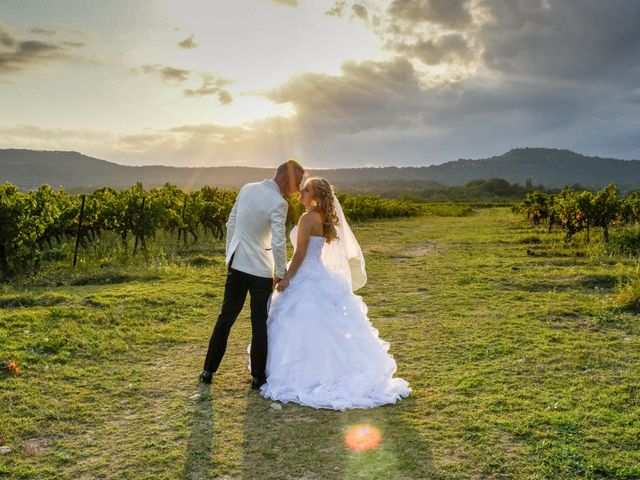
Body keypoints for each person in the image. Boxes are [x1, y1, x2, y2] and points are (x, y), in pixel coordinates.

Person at [260, 177, 411, 410]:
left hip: (304, 274)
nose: (301, 192)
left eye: (306, 190)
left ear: (316, 198)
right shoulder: (323, 218)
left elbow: (300, 254)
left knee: (300, 321)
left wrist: (286, 277)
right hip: (319, 272)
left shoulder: (306, 218)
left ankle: (306, 372)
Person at [199, 160, 306, 389]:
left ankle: (208, 371)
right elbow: (278, 241)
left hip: (236, 266)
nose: (298, 189)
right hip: (261, 271)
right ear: (286, 179)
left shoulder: (247, 188)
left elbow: (230, 224)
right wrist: (281, 272)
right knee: (259, 323)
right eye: (297, 183)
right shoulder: (279, 203)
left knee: (225, 318)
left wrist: (231, 255)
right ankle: (258, 378)